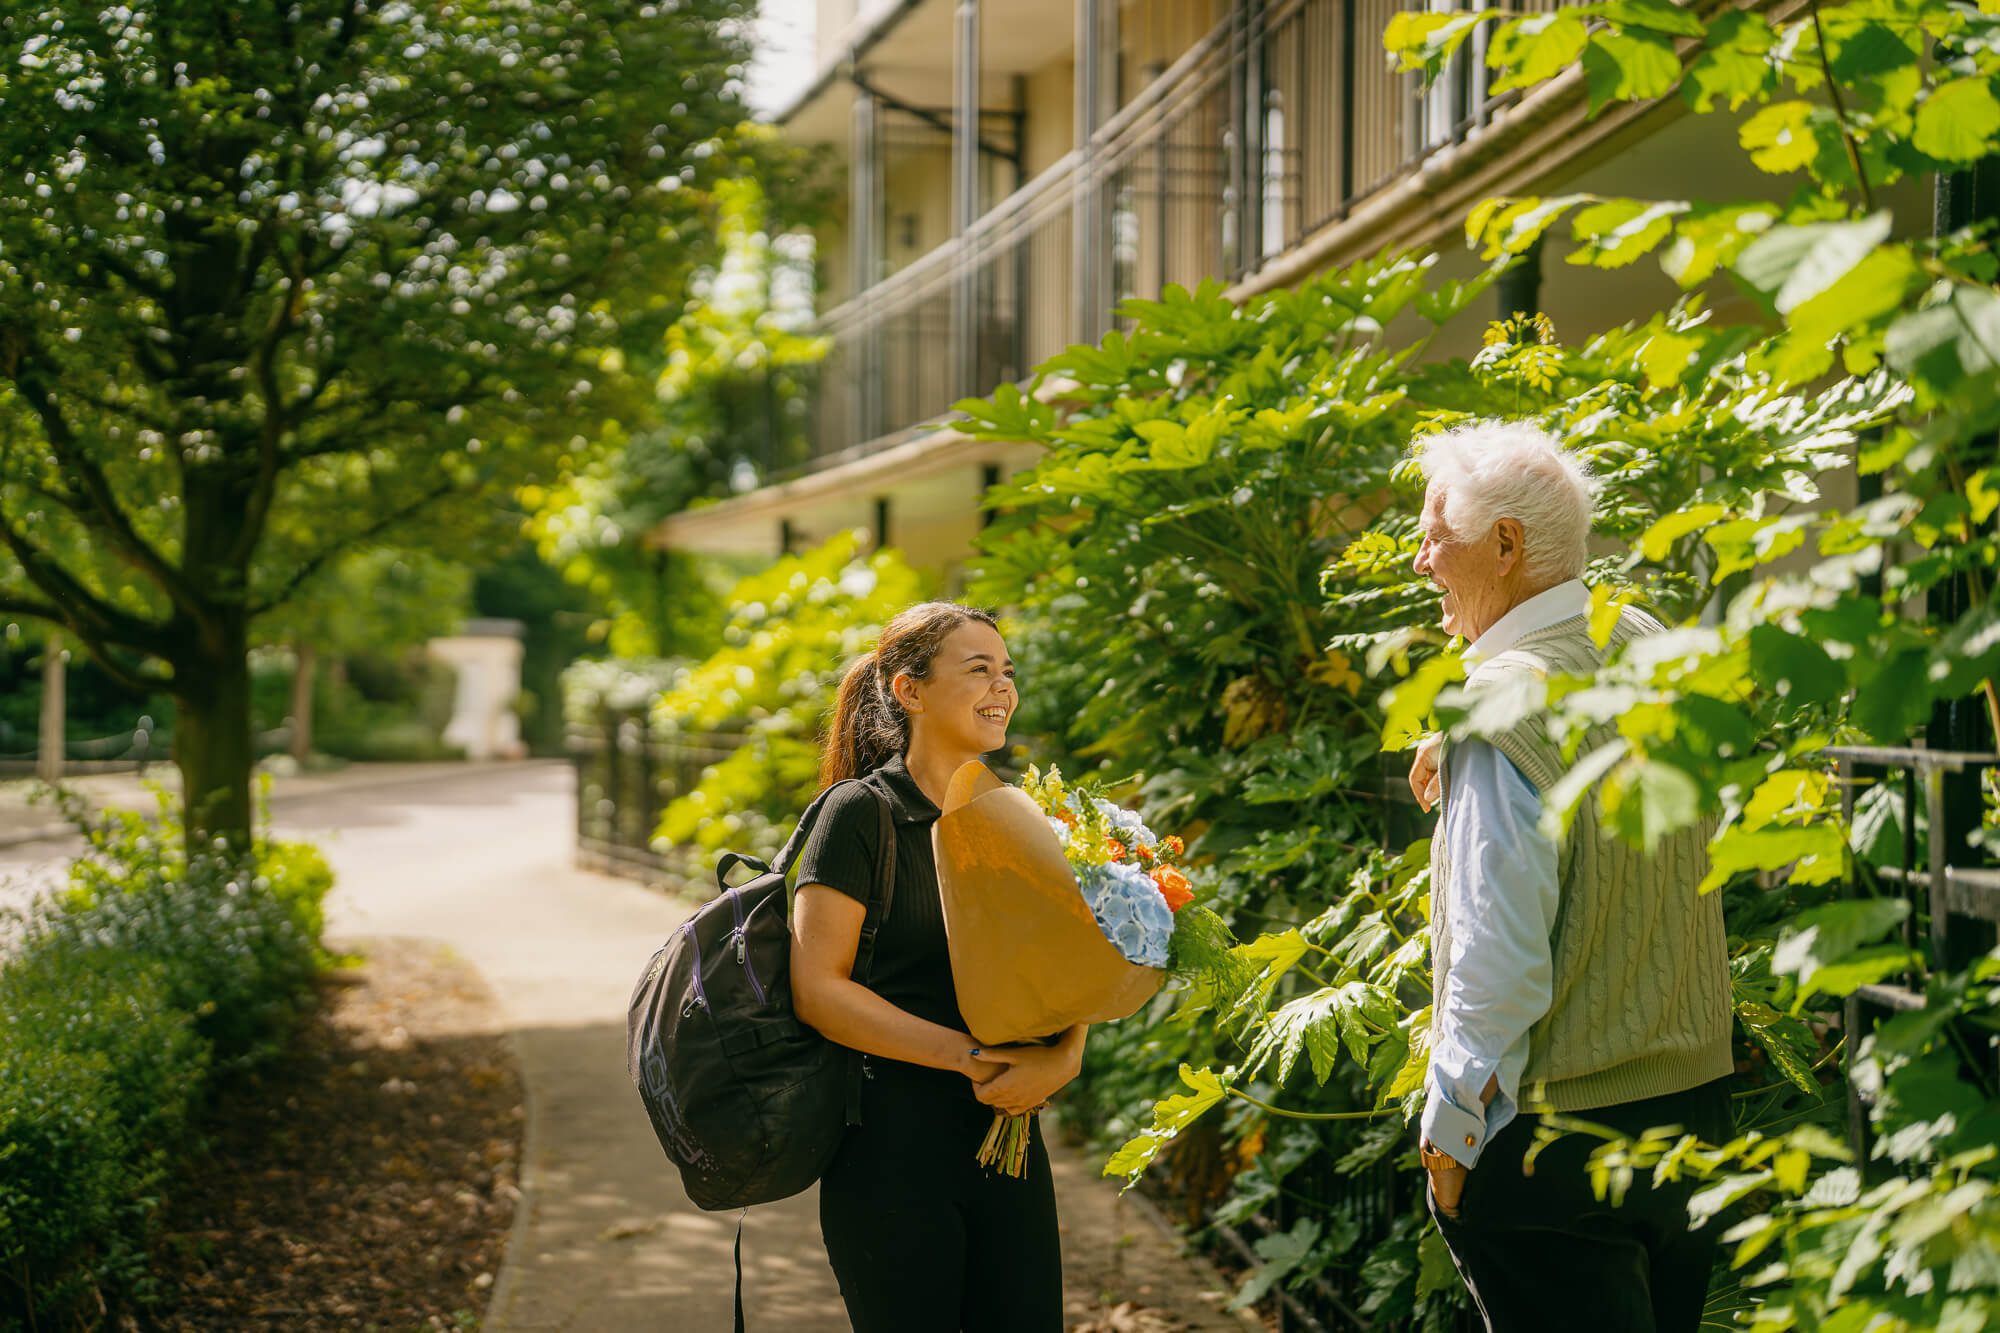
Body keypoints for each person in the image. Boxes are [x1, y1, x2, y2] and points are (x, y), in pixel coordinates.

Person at [1403, 422, 1734, 1333]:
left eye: (1436, 533)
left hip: (1557, 1142)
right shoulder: (1646, 643)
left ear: (1505, 543)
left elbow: (1496, 954)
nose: (1422, 559)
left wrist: (1452, 1131)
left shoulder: (1500, 709)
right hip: (1693, 1116)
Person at [790, 602, 1082, 1332]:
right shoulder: (859, 815)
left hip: (1009, 1149)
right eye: (978, 669)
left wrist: (1065, 1058)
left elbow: (1068, 966)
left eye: (1007, 672)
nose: (1002, 688)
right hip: (890, 1148)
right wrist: (974, 1059)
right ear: (908, 690)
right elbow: (818, 989)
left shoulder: (1023, 815)